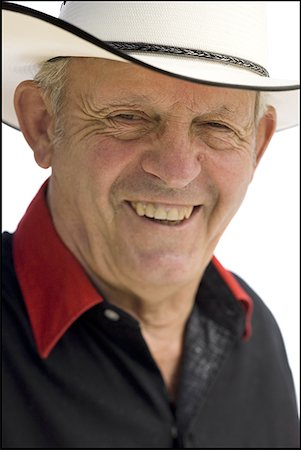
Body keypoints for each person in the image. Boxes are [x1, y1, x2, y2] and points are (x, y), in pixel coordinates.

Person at [2, 1, 300, 448]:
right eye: (129, 117)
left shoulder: (258, 340)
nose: (177, 169)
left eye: (216, 125)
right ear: (44, 124)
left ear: (256, 146)